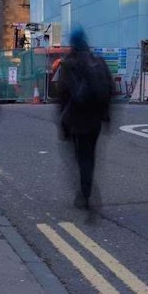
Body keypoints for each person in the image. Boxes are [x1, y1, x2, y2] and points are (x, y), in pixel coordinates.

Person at [55, 28, 112, 211]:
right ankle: (85, 191)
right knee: (90, 156)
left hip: (76, 119)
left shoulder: (69, 64)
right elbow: (110, 90)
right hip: (95, 119)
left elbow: (63, 96)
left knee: (80, 158)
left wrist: (62, 123)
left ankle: (86, 194)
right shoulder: (98, 62)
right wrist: (107, 116)